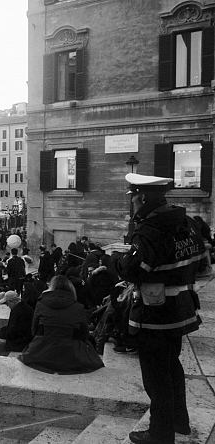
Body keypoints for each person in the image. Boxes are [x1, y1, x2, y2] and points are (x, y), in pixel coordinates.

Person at [110, 173, 204, 444]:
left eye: (133, 199)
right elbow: (200, 259)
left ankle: (160, 433)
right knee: (172, 365)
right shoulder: (185, 222)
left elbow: (134, 269)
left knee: (155, 375)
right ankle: (179, 421)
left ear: (141, 197)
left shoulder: (150, 229)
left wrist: (115, 259)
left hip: (155, 312)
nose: (133, 204)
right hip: (181, 307)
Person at [18, 275, 104, 373]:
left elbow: (34, 331)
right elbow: (84, 335)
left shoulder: (41, 304)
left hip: (42, 352)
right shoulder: (78, 307)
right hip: (71, 355)